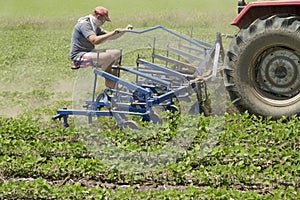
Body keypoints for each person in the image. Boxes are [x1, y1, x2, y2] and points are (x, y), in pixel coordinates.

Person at [70, 6, 133, 88]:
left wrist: (125, 30)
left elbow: (111, 36)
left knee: (116, 53)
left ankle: (114, 81)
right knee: (107, 57)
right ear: (98, 16)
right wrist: (113, 32)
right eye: (104, 20)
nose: (104, 22)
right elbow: (94, 40)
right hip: (79, 57)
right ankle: (110, 83)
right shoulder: (85, 25)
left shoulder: (95, 26)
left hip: (89, 52)